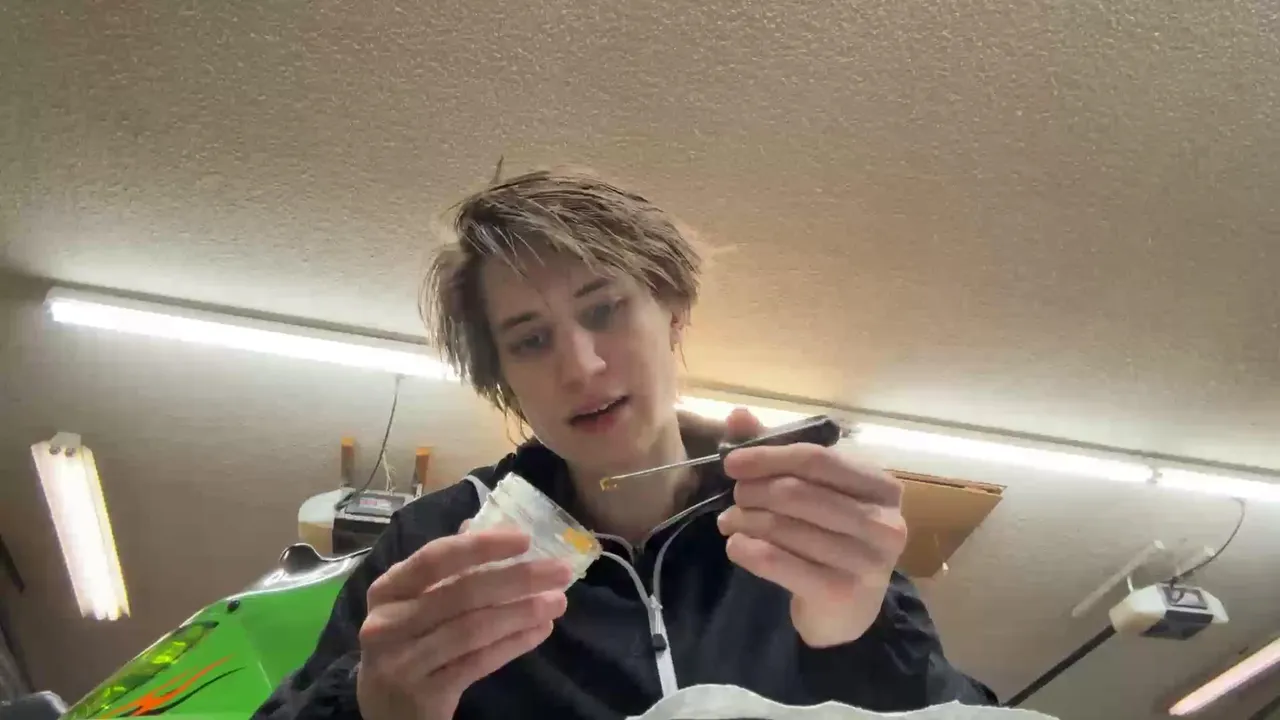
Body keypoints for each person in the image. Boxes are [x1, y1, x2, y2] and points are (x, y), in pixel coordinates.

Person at [252, 169, 996, 720]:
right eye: (531, 340)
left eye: (604, 308)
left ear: (672, 310)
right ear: (503, 378)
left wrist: (862, 639)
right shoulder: (436, 541)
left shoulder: (802, 522)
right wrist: (371, 705)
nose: (580, 366)